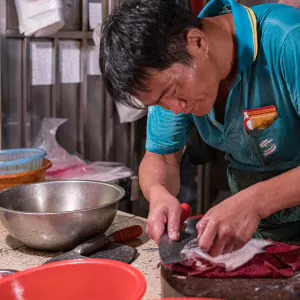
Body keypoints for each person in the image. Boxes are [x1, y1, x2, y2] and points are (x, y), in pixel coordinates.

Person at [99, 0, 300, 257]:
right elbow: (161, 156)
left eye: (172, 92)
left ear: (197, 42)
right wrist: (159, 194)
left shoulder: (288, 38)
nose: (175, 108)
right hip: (263, 233)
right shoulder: (167, 78)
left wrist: (256, 202)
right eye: (160, 102)